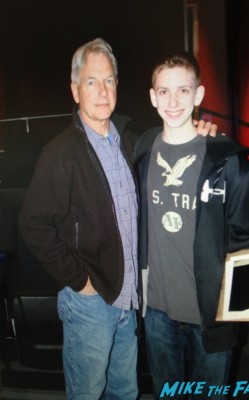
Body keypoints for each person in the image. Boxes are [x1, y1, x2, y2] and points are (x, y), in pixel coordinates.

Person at [18, 39, 217, 400]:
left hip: (129, 301)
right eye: (92, 81)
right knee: (87, 393)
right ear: (75, 90)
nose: (102, 90)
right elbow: (33, 225)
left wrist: (202, 132)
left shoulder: (132, 143)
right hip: (90, 302)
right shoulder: (60, 153)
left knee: (125, 392)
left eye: (109, 80)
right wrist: (81, 280)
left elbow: (175, 143)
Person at [135, 52, 249, 399]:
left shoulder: (227, 162)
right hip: (157, 315)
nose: (173, 101)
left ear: (198, 95)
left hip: (210, 317)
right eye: (164, 92)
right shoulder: (141, 152)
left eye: (184, 90)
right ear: (152, 97)